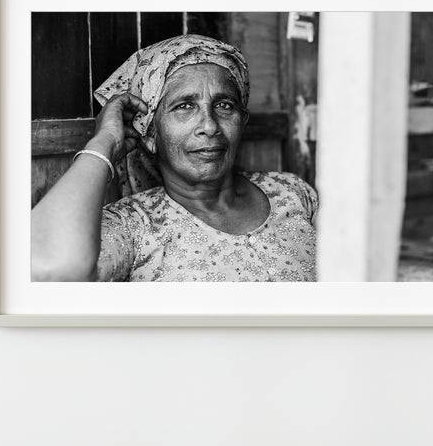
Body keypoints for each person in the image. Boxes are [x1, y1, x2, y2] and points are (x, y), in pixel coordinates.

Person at [31, 34, 317, 282]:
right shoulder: (133, 225)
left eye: (224, 105)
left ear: (242, 121)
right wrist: (104, 142)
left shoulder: (291, 192)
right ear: (151, 135)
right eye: (184, 106)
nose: (209, 125)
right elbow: (49, 268)